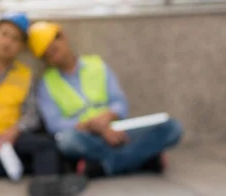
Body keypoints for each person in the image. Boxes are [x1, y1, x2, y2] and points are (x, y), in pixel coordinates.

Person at [0, 13, 86, 195]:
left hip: (11, 140)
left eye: (15, 39)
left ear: (21, 46)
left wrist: (13, 132)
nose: (7, 42)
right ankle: (16, 169)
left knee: (46, 144)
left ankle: (45, 186)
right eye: (4, 34)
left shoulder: (25, 74)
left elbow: (31, 114)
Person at [30, 21, 183, 177]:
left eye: (55, 49)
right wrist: (94, 127)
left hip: (116, 129)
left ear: (63, 37)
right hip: (86, 136)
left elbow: (120, 103)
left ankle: (104, 166)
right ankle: (143, 160)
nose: (54, 55)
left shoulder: (97, 65)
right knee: (67, 142)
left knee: (171, 127)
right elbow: (55, 125)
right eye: (48, 55)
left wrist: (107, 118)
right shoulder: (46, 84)